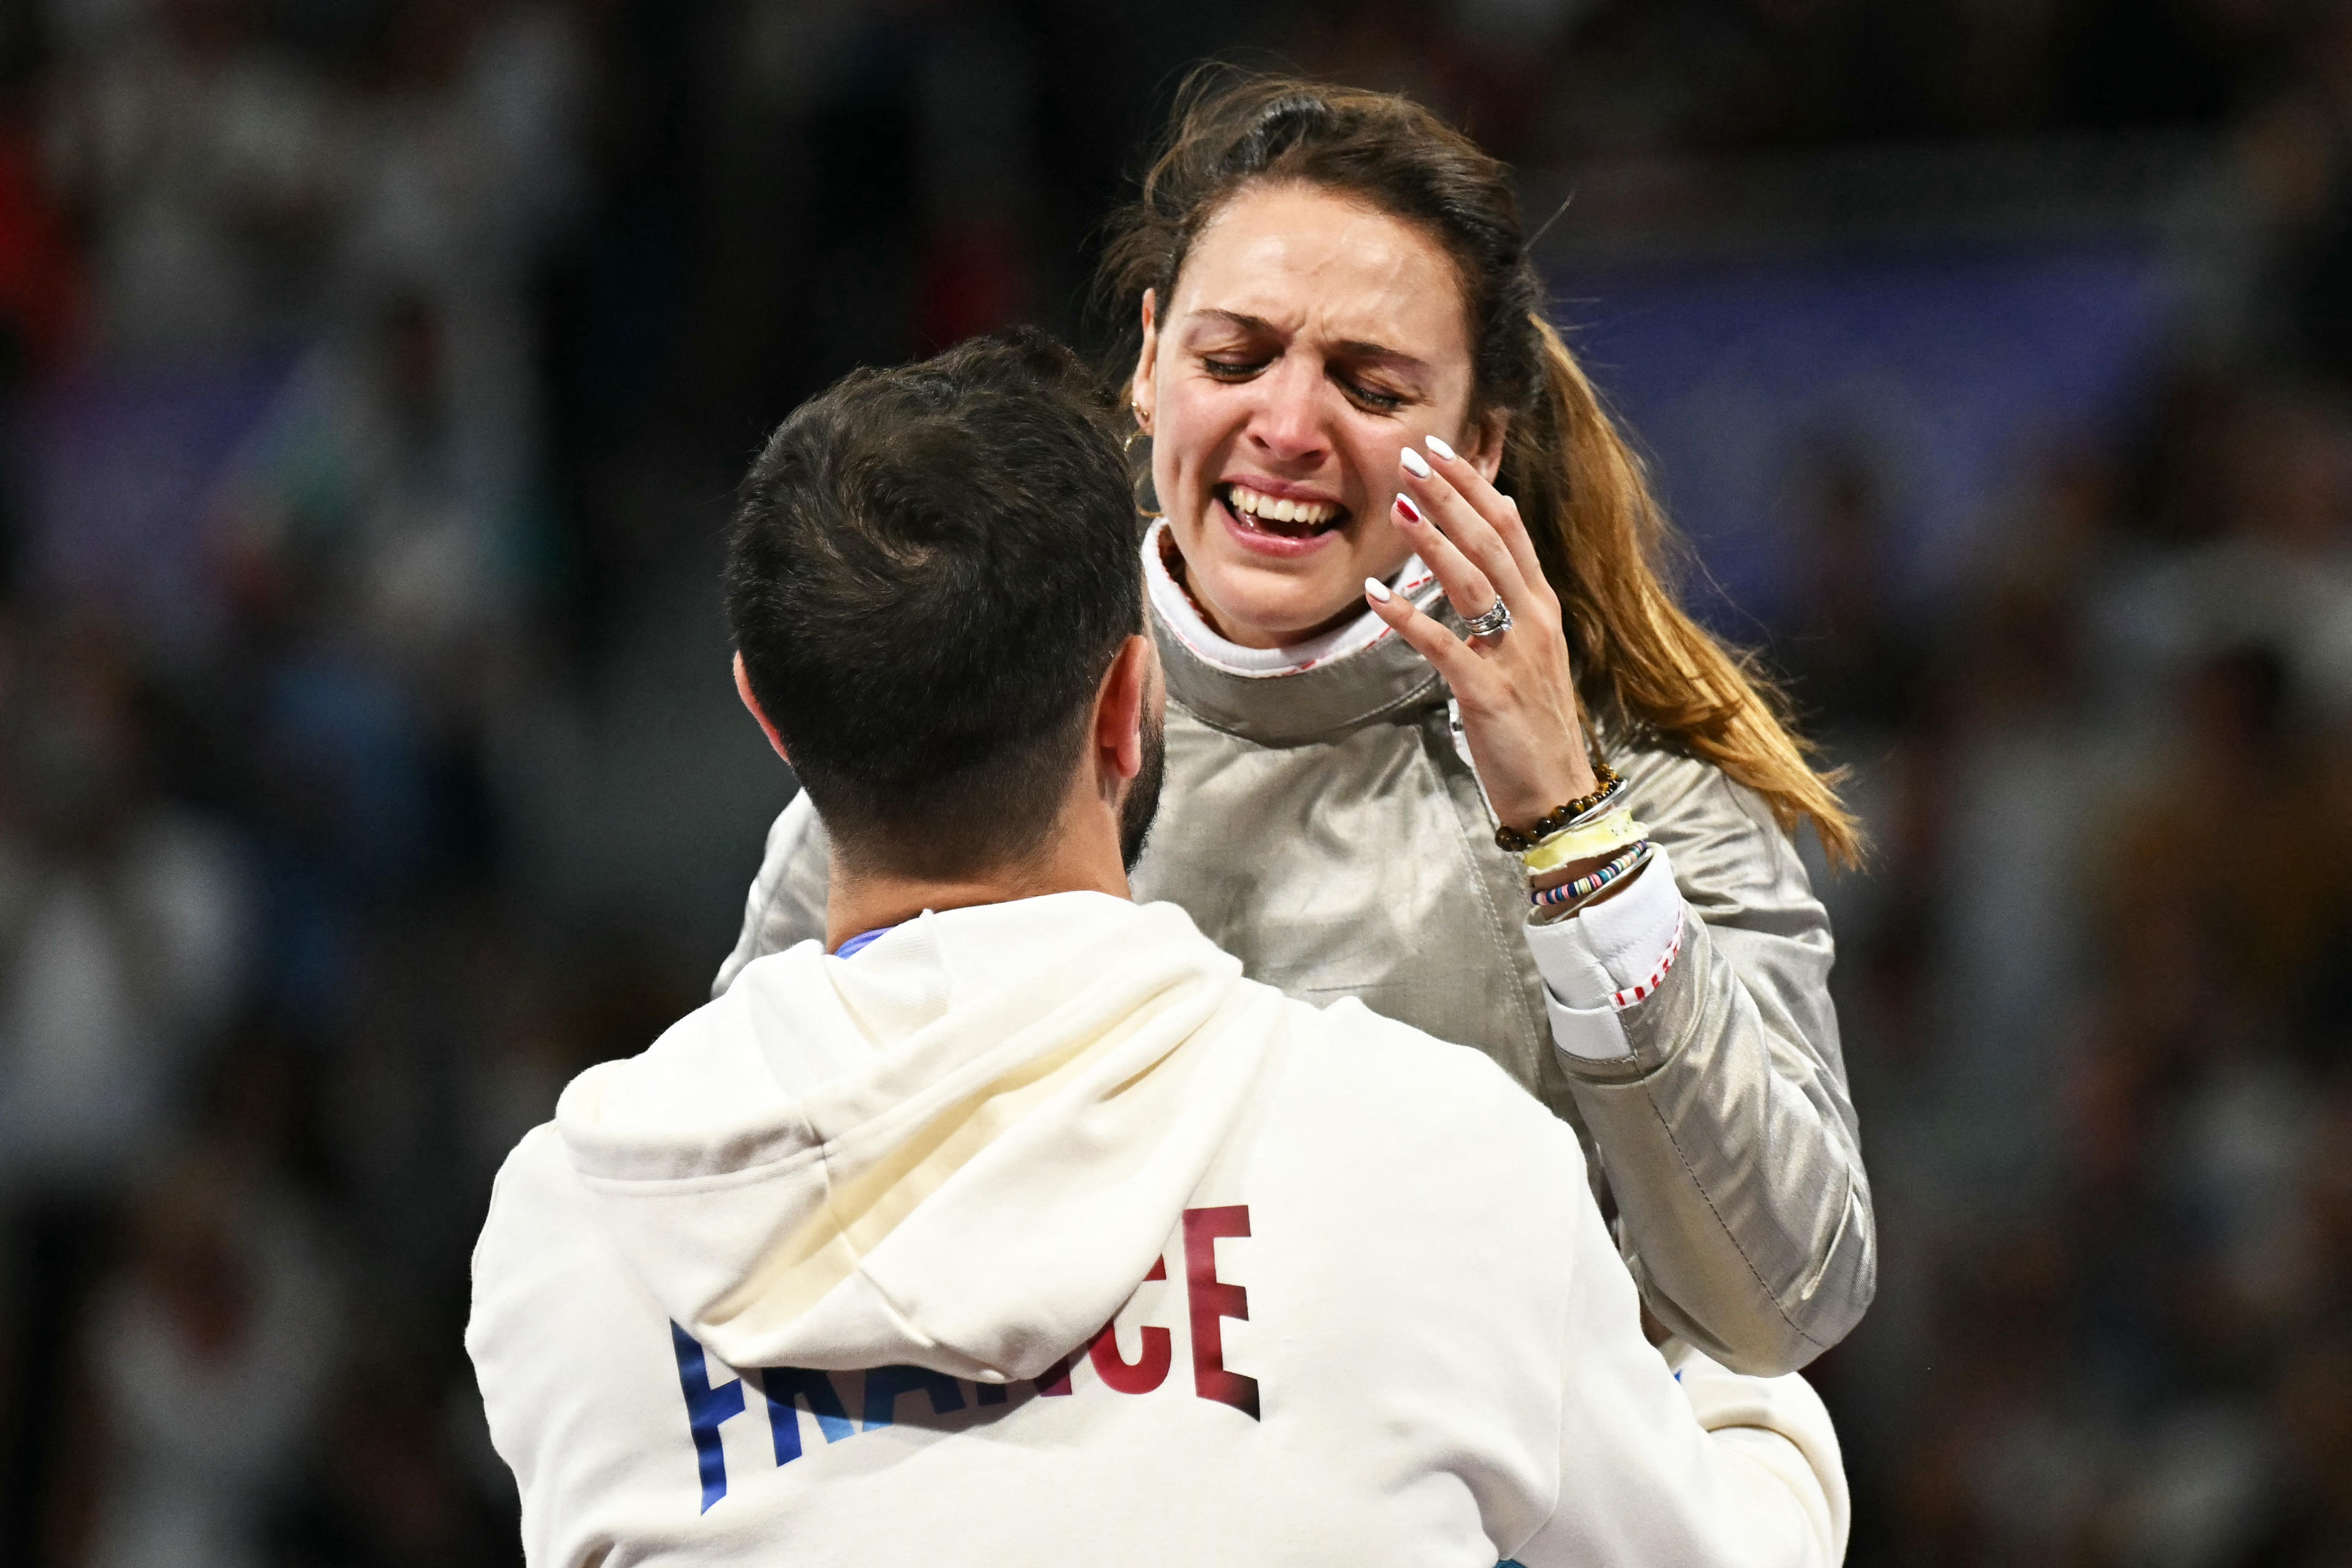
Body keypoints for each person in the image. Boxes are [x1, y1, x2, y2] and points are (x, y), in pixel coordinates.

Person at [467, 330, 1849, 1565]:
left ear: (769, 719)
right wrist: (1752, 1396)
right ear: (1133, 706)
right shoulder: (1435, 1164)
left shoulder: (569, 1233)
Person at [714, 72, 1874, 1375]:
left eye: (1370, 389)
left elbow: (1780, 1300)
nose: (1287, 426)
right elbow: (744, 1246)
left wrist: (1568, 836)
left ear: (1481, 443)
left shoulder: (1637, 801)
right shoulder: (947, 729)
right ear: (1150, 361)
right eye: (1235, 356)